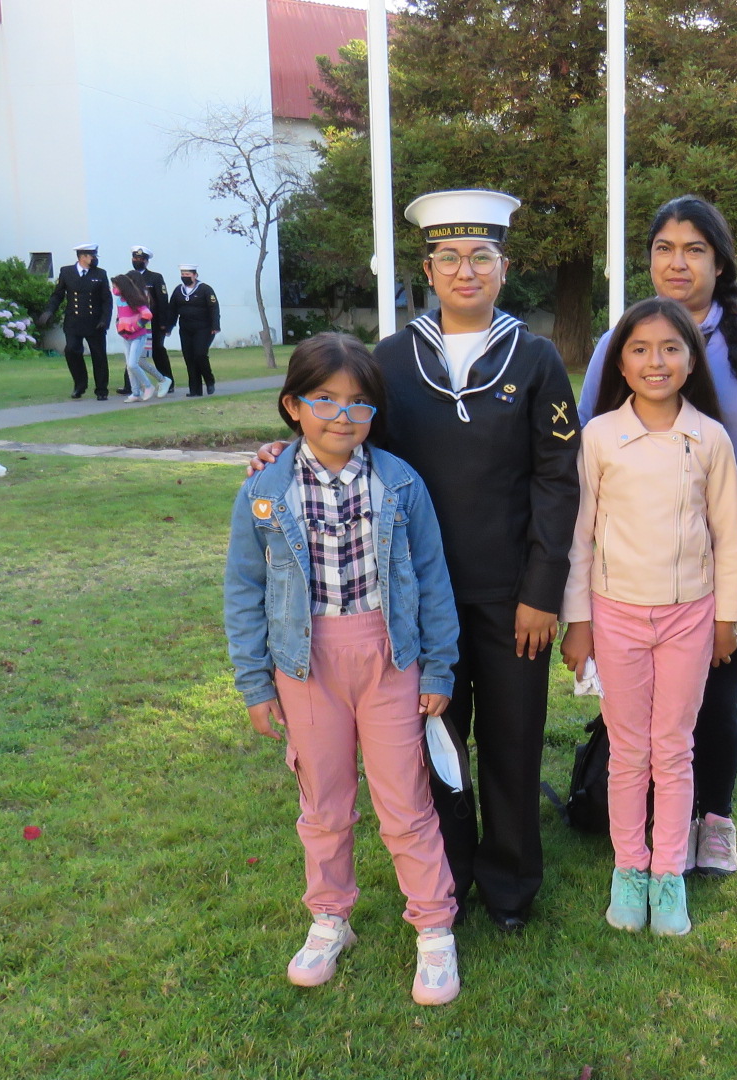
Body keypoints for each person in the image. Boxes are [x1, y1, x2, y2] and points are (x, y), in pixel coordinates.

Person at [252, 190, 580, 931]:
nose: (467, 271)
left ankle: (511, 884)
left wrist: (543, 591)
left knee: (511, 738)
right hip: (407, 601)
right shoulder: (392, 360)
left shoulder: (534, 360)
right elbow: (342, 436)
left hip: (509, 597)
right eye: (450, 258)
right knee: (432, 743)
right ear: (428, 267)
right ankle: (450, 873)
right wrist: (282, 452)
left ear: (505, 266)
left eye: (483, 257)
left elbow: (560, 480)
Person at [222, 332, 464, 1006]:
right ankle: (330, 918)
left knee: (405, 804)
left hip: (388, 661)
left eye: (359, 404)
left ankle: (434, 928)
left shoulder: (399, 484)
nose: (341, 416)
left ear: (374, 415)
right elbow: (244, 591)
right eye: (324, 400)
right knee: (323, 802)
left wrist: (439, 666)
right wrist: (255, 682)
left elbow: (431, 578)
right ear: (291, 406)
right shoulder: (264, 494)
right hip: (306, 667)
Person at [579, 195, 737, 877]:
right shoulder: (626, 338)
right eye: (665, 247)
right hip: (640, 574)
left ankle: (715, 820)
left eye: (694, 248)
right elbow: (588, 437)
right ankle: (647, 823)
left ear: (720, 260)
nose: (678, 262)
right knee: (649, 708)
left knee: (717, 700)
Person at [560, 297, 737, 937]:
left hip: (691, 617)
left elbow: (726, 532)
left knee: (673, 748)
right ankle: (628, 869)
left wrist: (728, 615)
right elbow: (579, 536)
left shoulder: (710, 438)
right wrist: (577, 620)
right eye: (639, 348)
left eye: (670, 348)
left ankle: (668, 874)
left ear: (692, 361)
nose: (655, 361)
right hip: (614, 616)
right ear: (620, 359)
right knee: (628, 750)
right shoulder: (601, 436)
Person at [40, 243, 113, 400]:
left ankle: (101, 389)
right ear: (82, 257)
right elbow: (57, 295)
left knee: (99, 355)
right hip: (74, 320)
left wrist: (104, 320)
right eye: (92, 256)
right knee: (72, 350)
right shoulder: (67, 272)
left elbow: (107, 300)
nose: (94, 259)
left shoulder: (100, 274)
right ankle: (80, 384)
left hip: (95, 321)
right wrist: (49, 310)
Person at [117, 247, 174, 397]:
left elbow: (162, 301)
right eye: (135, 258)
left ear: (147, 261)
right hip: (133, 323)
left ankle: (168, 381)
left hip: (153, 322)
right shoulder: (128, 278)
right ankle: (130, 386)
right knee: (133, 355)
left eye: (141, 259)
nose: (138, 261)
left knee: (157, 350)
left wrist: (164, 323)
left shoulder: (155, 278)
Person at [166, 265, 220, 396]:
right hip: (185, 328)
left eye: (188, 275)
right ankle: (195, 390)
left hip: (203, 328)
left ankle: (209, 379)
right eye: (183, 275)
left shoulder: (205, 289)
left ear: (195, 275)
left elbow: (214, 308)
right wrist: (168, 327)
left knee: (200, 355)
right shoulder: (178, 290)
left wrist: (215, 326)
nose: (185, 277)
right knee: (189, 358)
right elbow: (172, 309)